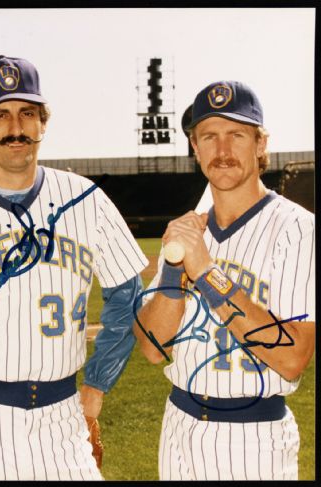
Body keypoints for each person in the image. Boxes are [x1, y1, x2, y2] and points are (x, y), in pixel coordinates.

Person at [0, 55, 148, 480]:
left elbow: (127, 295)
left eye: (27, 114)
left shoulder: (86, 199)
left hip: (64, 417)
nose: (15, 128)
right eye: (0, 115)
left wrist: (94, 389)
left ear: (43, 123)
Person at [133, 80, 315, 480]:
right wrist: (177, 269)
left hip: (255, 439)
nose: (223, 150)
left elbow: (291, 357)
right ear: (195, 149)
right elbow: (150, 347)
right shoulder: (187, 232)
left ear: (261, 144)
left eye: (236, 135)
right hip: (178, 429)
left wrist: (207, 273)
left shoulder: (297, 229)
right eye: (209, 137)